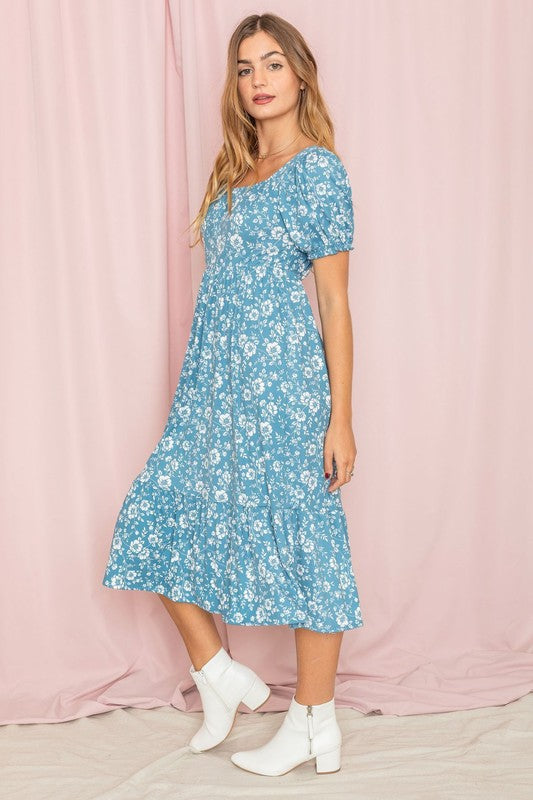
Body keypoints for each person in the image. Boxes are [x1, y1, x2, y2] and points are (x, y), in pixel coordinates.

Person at [102, 11, 363, 777]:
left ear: (300, 75)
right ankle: (218, 677)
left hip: (283, 390)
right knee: (152, 518)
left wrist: (340, 418)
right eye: (244, 67)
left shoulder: (318, 171)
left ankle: (315, 723)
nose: (257, 80)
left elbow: (335, 304)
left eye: (272, 64)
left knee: (308, 547)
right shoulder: (232, 166)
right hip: (210, 391)